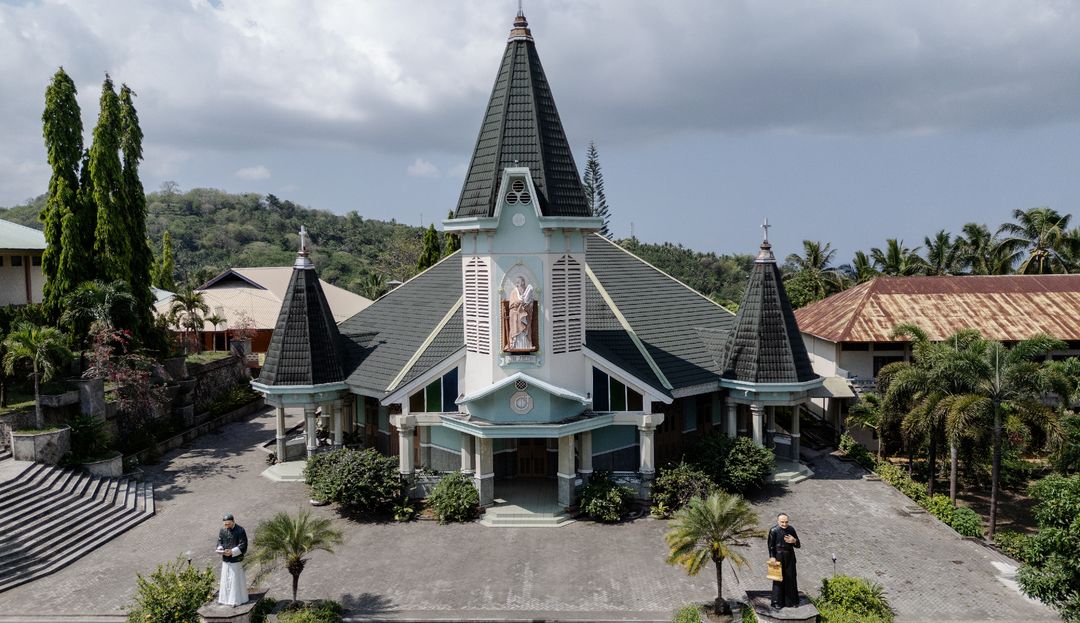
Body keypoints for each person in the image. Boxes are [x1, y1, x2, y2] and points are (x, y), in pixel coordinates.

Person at [767, 512, 800, 609]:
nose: (784, 524)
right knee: (778, 579)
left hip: (790, 556)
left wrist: (794, 541)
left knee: (791, 578)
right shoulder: (773, 530)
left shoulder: (791, 529)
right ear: (778, 521)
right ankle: (777, 602)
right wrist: (772, 556)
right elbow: (770, 546)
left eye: (786, 522)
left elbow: (798, 545)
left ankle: (792, 601)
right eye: (782, 522)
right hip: (778, 557)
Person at [216, 513, 248, 606]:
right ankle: (224, 599)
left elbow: (243, 545)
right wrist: (220, 548)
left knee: (235, 579)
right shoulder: (222, 530)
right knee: (225, 579)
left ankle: (235, 600)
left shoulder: (240, 530)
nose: (226, 526)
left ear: (233, 522)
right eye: (225, 524)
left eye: (228, 524)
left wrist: (232, 551)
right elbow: (219, 541)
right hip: (226, 559)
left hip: (235, 559)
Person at [506, 276, 534, 351]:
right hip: (515, 314)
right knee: (516, 317)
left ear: (523, 282)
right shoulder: (514, 292)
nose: (517, 283)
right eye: (516, 282)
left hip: (524, 313)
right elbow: (511, 305)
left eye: (519, 281)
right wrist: (518, 302)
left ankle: (525, 346)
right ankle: (515, 346)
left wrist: (526, 305)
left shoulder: (527, 291)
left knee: (525, 317)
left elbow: (530, 305)